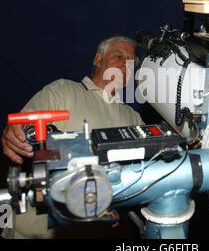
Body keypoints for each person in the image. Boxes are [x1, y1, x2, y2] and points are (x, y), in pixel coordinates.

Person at [1, 35, 145, 238]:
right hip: (36, 232)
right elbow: (24, 124)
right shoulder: (64, 90)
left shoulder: (134, 118)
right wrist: (14, 132)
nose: (125, 64)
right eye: (118, 55)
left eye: (130, 62)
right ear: (97, 59)